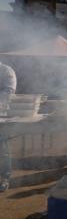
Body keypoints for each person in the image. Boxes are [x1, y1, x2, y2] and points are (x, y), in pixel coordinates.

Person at [0, 62, 17, 192]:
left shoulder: (6, 71)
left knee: (2, 149)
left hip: (1, 116)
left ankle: (3, 178)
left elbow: (8, 93)